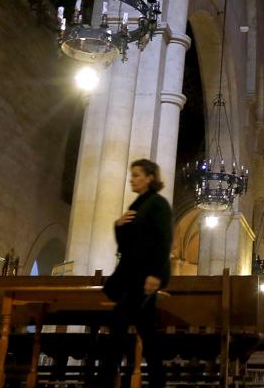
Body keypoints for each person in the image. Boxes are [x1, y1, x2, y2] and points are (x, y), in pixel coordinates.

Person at [101, 158, 172, 388]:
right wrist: (118, 226)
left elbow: (164, 241)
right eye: (132, 175)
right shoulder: (137, 205)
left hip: (144, 278)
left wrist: (155, 275)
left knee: (118, 327)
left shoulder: (158, 204)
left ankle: (103, 381)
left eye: (137, 175)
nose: (132, 179)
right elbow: (126, 247)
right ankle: (158, 381)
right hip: (133, 276)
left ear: (150, 178)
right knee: (147, 336)